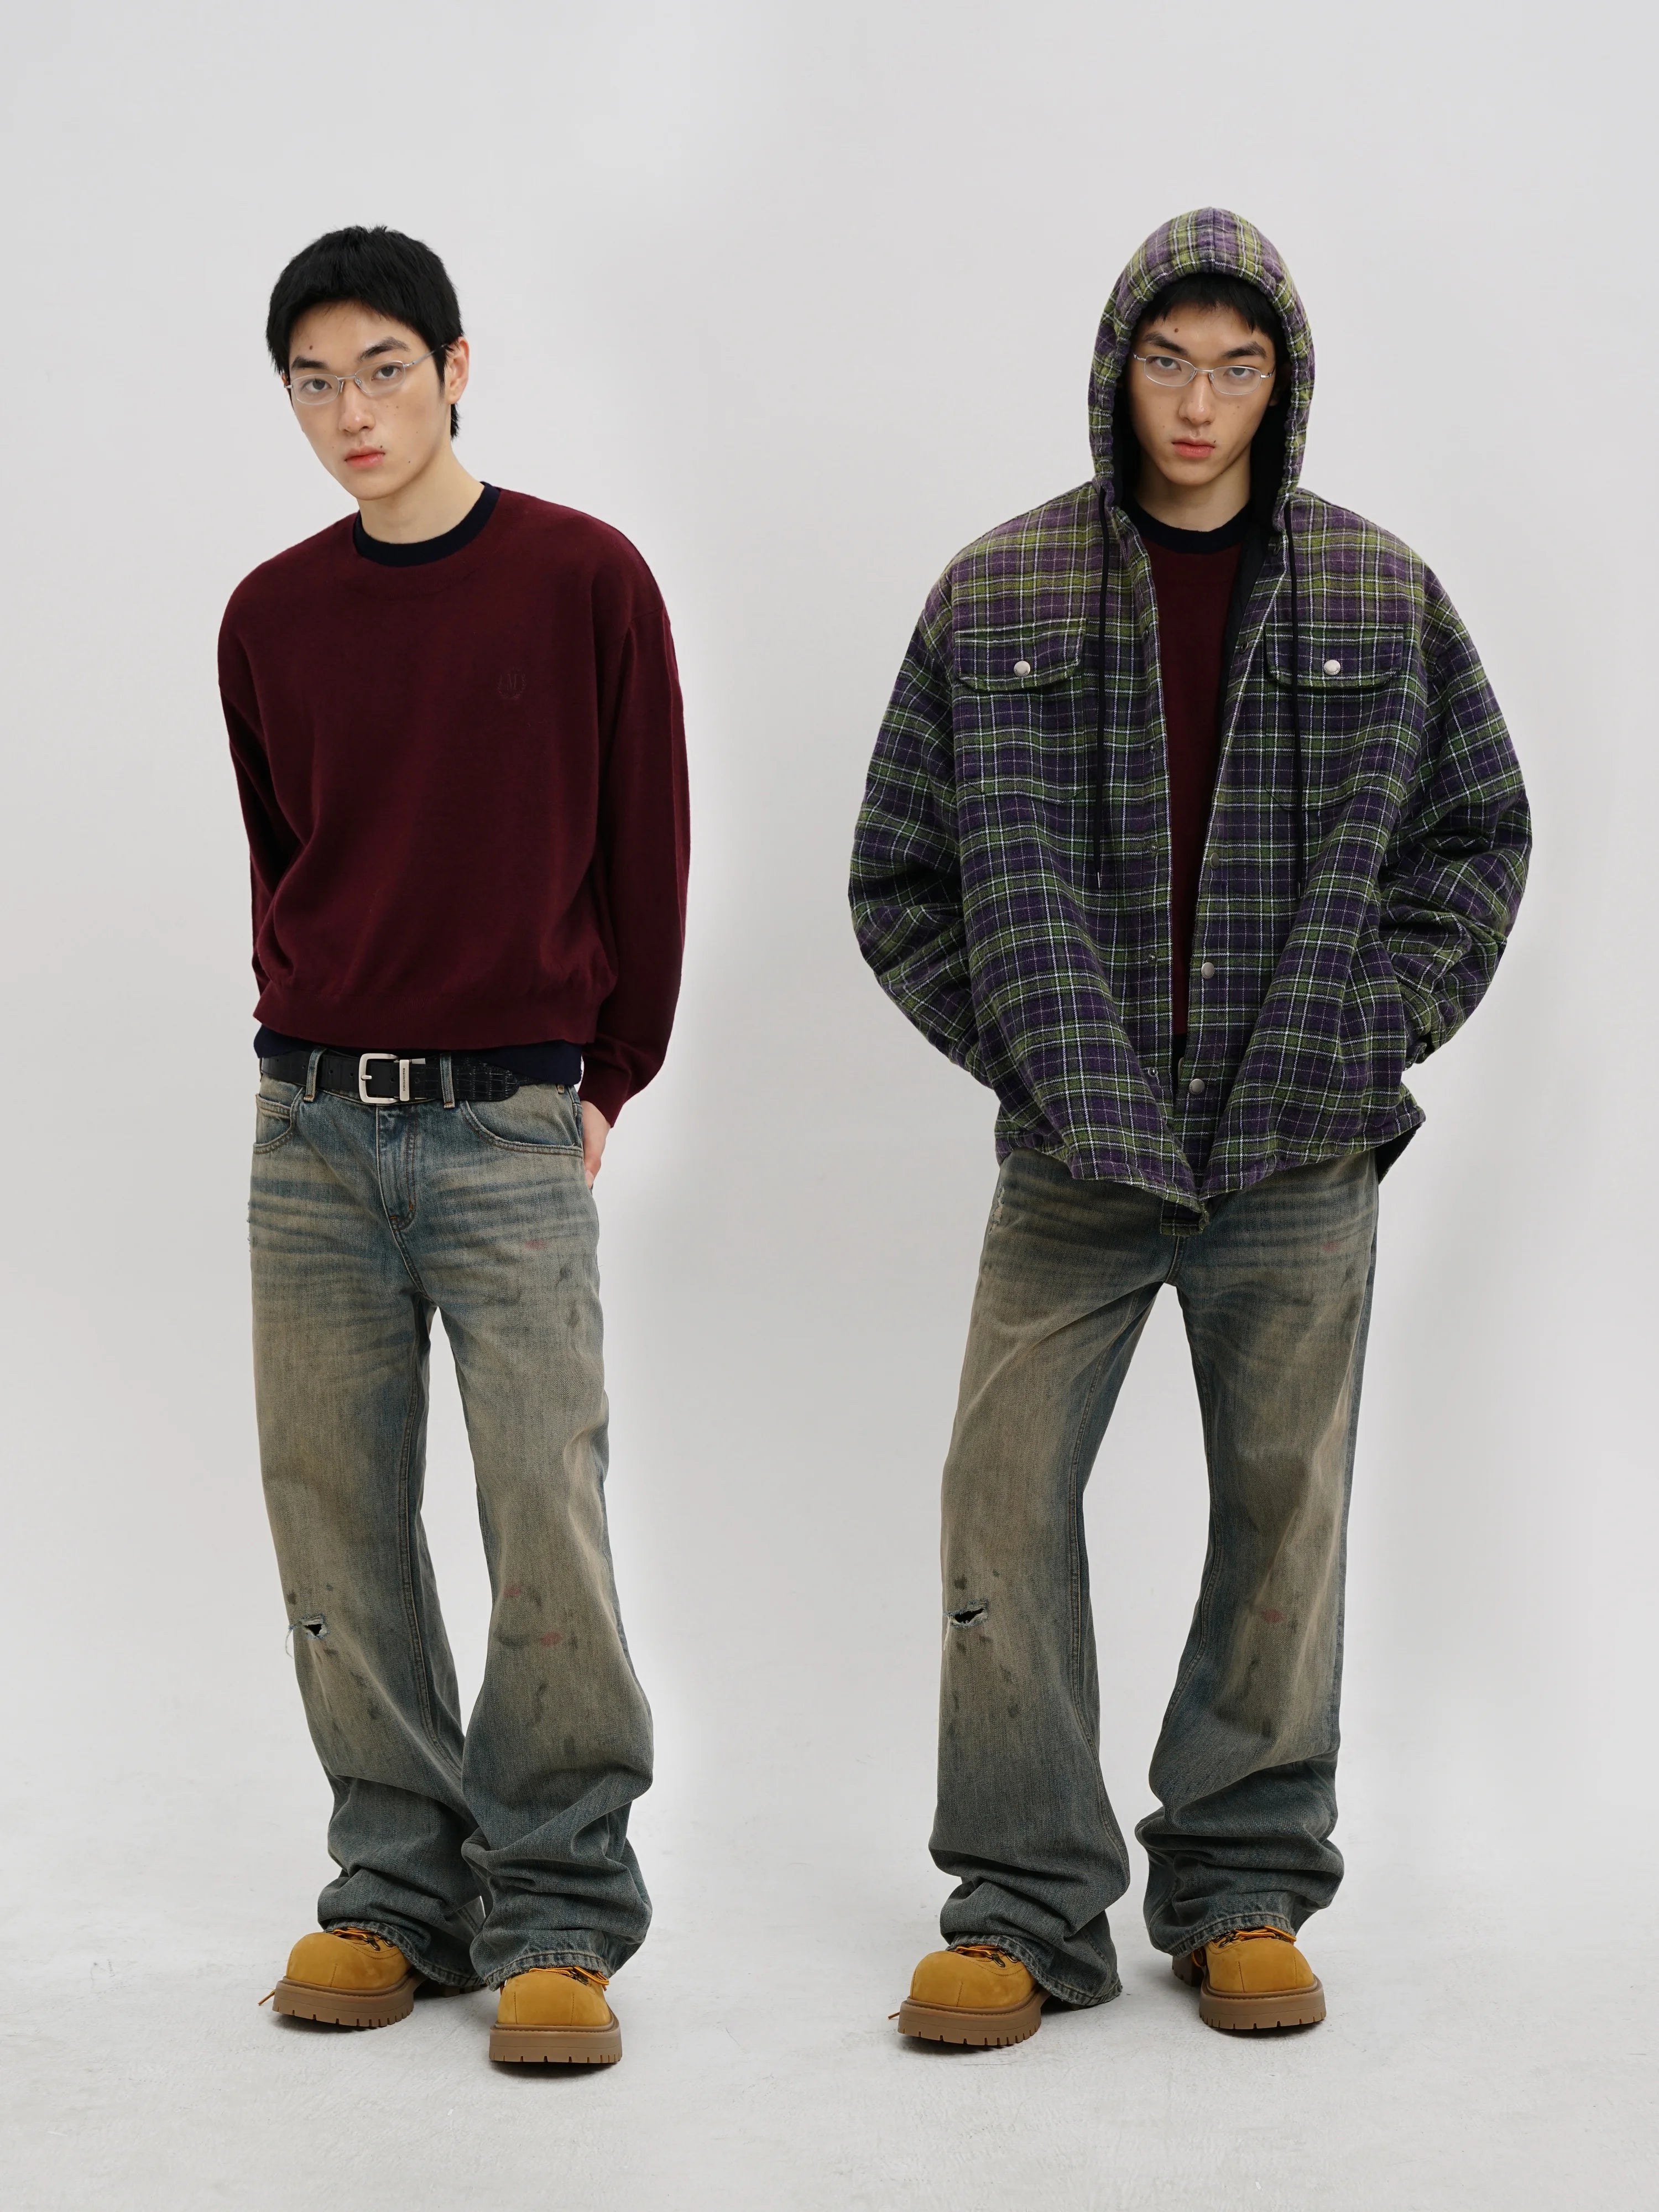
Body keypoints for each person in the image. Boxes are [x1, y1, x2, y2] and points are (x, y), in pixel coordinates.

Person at [849, 207, 1528, 2043]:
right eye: (1170, 363)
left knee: (1284, 1513)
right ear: (1116, 372)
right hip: (1075, 1158)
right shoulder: (998, 594)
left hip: (1297, 1149)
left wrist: (1370, 1028)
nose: (1201, 403)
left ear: (1283, 381)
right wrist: (1034, 1052)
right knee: (1000, 1502)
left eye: (1237, 367)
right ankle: (1022, 1907)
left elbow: (1480, 837)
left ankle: (1242, 1888)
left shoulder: (1381, 596)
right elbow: (897, 874)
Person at [221, 226, 688, 2065]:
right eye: (315, 383)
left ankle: (560, 1906)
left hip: (507, 1125)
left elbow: (645, 847)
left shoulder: (584, 580)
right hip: (311, 1130)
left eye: (386, 370)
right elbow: (285, 855)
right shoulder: (269, 616)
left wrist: (606, 1079)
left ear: (457, 368)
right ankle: (397, 1889)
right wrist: (303, 1036)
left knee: (539, 1513)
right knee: (333, 1514)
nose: (353, 412)